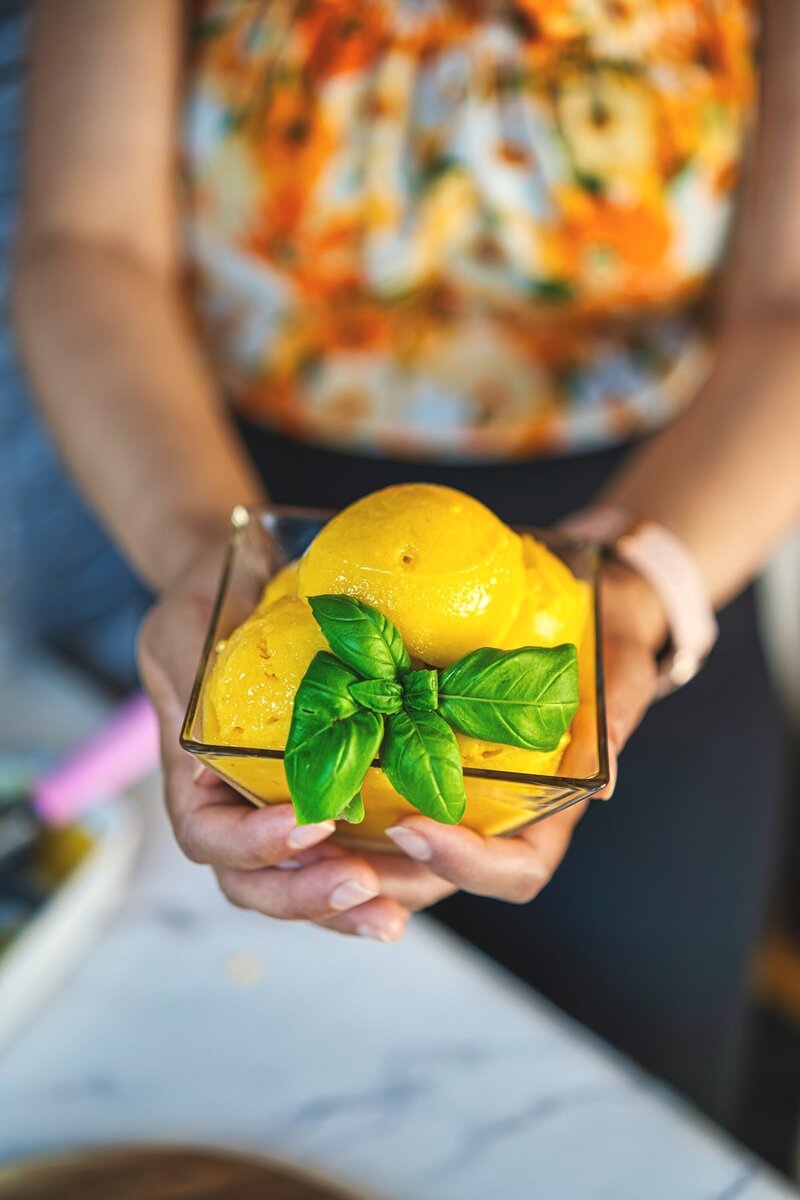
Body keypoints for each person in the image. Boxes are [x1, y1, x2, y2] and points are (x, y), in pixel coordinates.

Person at [8, 0, 798, 1120]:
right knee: (250, 1092)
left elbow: (790, 304)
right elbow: (87, 241)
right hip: (253, 534)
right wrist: (206, 551)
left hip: (656, 535)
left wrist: (636, 591)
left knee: (621, 1106)